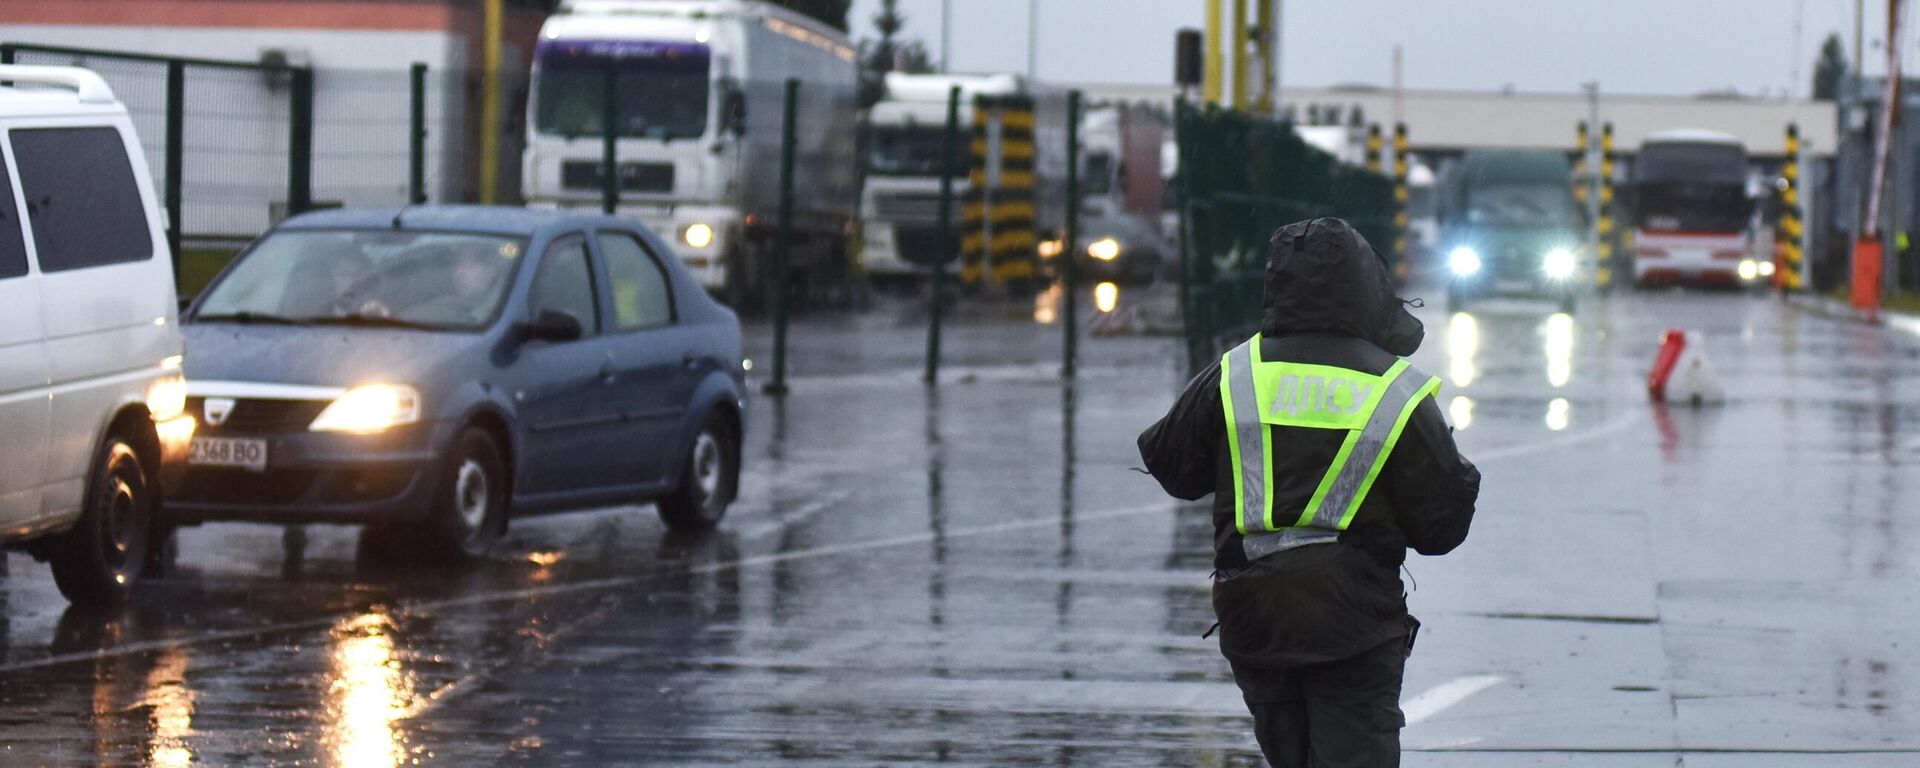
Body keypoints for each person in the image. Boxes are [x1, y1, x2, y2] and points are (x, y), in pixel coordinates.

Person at [1137, 217, 1480, 767]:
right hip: (1352, 623)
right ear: (1368, 289)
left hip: (1254, 618)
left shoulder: (1235, 372)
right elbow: (1440, 529)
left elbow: (1173, 466)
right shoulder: (1395, 390)